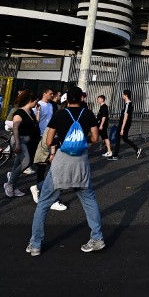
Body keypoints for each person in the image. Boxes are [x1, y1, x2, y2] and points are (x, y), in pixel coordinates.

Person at [26, 86, 106, 256]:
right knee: (89, 200)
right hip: (81, 163)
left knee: (44, 203)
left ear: (68, 99)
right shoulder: (89, 114)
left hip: (61, 162)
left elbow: (48, 141)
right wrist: (81, 139)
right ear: (82, 99)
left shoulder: (59, 114)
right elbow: (95, 138)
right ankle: (97, 238)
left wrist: (62, 139)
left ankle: (35, 244)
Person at [4, 90, 39, 198]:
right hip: (20, 140)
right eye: (35, 102)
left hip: (28, 141)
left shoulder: (30, 112)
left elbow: (35, 123)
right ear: (30, 101)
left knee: (16, 165)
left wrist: (38, 112)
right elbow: (15, 129)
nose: (36, 104)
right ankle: (10, 183)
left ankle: (14, 186)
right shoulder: (19, 113)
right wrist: (18, 144)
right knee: (26, 162)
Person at [114, 89, 142, 159]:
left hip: (124, 124)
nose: (122, 96)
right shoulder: (129, 104)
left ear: (126, 95)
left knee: (118, 138)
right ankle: (137, 149)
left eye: (123, 94)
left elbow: (125, 116)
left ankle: (115, 155)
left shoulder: (128, 104)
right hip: (126, 124)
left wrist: (122, 128)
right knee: (125, 139)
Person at [97, 94, 116, 160]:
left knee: (104, 137)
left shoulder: (104, 107)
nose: (97, 100)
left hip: (102, 125)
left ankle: (109, 150)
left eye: (98, 99)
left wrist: (101, 124)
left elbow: (104, 116)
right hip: (101, 124)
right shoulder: (102, 107)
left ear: (102, 99)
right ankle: (109, 150)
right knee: (104, 137)